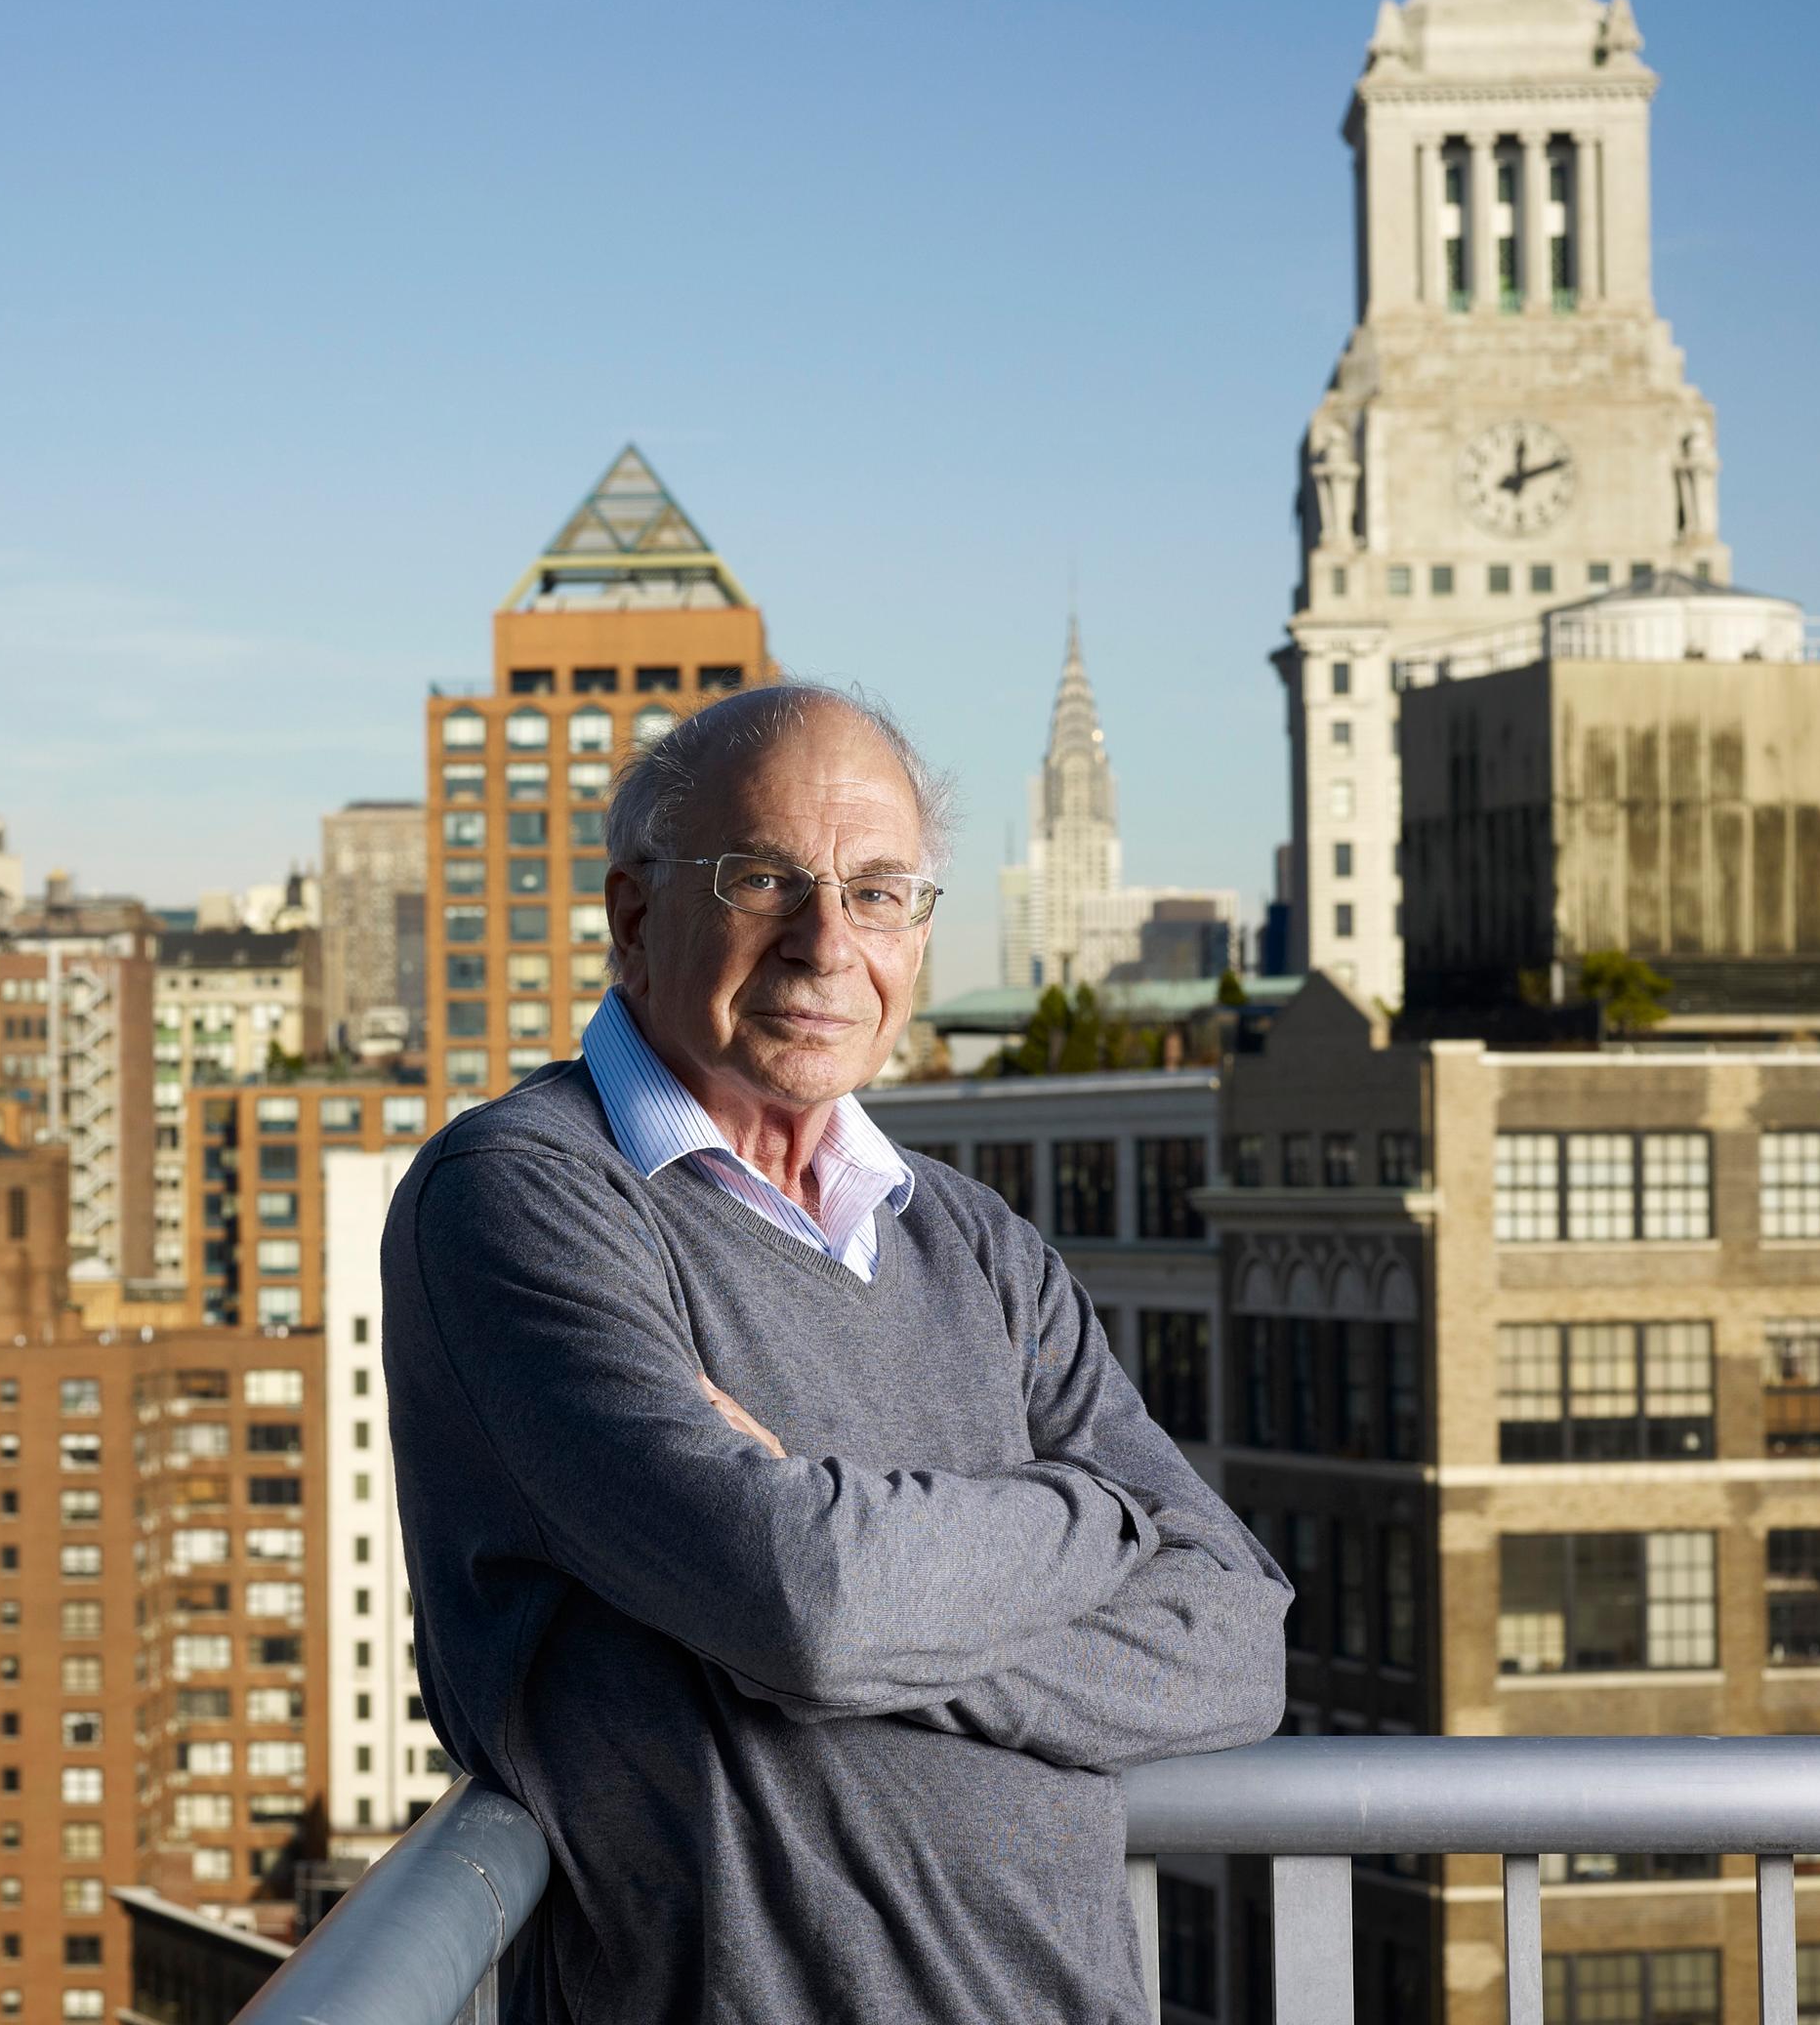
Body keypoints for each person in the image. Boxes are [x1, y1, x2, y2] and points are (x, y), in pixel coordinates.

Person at [384, 682, 1288, 2022]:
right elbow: (806, 1600)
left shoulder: (981, 1247)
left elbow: (1236, 1640)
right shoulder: (524, 1197)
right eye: (764, 881)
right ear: (636, 916)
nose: (825, 945)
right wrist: (1100, 1526)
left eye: (878, 894)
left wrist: (855, 1595)